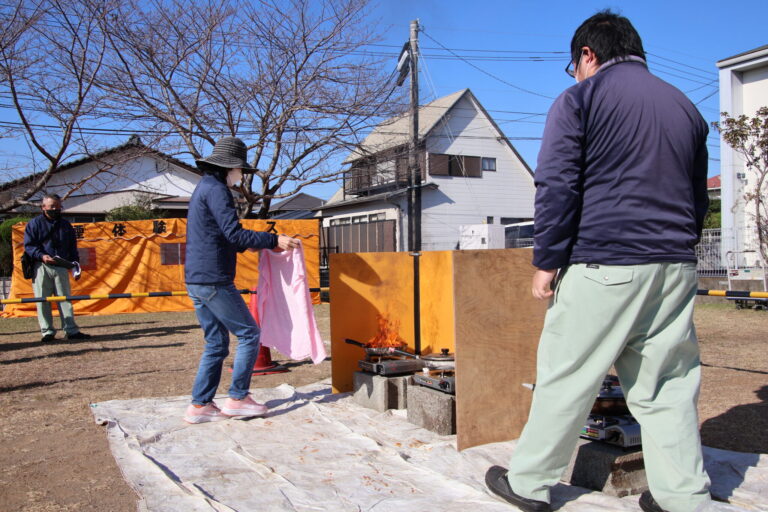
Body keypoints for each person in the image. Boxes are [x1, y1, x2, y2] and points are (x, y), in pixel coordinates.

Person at [485, 11, 711, 512]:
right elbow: (697, 198)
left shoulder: (581, 98)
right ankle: (683, 498)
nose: (575, 74)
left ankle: (528, 482)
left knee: (567, 376)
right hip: (674, 265)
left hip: (606, 259)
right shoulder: (686, 107)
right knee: (667, 386)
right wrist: (678, 251)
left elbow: (558, 184)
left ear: (589, 55)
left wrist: (547, 260)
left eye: (575, 65)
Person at [183, 136, 300, 424]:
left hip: (197, 278)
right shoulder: (218, 191)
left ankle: (200, 406)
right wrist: (274, 239)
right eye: (240, 172)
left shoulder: (204, 188)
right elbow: (234, 235)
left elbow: (226, 237)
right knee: (249, 334)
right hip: (213, 279)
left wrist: (263, 241)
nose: (241, 177)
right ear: (229, 168)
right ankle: (238, 398)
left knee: (216, 344)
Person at [24, 193, 91, 342]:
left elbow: (72, 248)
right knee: (42, 300)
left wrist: (75, 266)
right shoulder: (34, 224)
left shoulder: (66, 225)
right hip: (41, 266)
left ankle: (71, 330)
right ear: (43, 207)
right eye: (52, 206)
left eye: (58, 206)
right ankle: (47, 332)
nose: (55, 209)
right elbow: (29, 246)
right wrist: (41, 255)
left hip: (61, 265)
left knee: (65, 299)